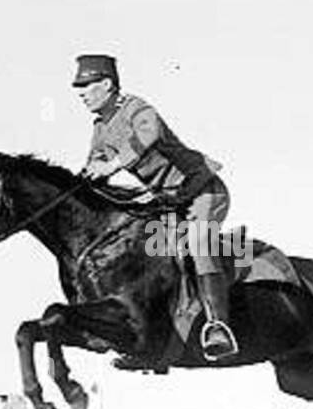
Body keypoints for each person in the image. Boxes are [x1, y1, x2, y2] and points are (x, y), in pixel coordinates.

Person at [72, 53, 238, 362]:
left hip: (202, 192)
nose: (81, 94)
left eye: (87, 86)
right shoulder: (100, 128)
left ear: (107, 85)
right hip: (169, 201)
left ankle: (218, 327)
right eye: (78, 88)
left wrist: (114, 164)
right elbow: (93, 166)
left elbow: (150, 135)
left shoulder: (138, 109)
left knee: (198, 243)